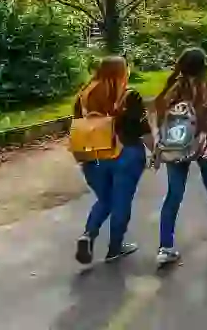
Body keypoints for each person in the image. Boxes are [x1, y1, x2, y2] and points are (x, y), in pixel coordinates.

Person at [74, 56, 153, 265]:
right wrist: (157, 151)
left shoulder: (83, 95)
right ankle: (114, 248)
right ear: (122, 72)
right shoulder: (128, 96)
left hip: (92, 157)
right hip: (125, 154)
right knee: (121, 201)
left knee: (105, 199)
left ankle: (88, 234)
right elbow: (143, 130)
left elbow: (78, 127)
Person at [153, 48, 207, 266]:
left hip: (176, 142)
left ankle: (165, 247)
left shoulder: (172, 87)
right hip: (203, 141)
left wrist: (163, 140)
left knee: (173, 194)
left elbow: (160, 115)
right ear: (203, 65)